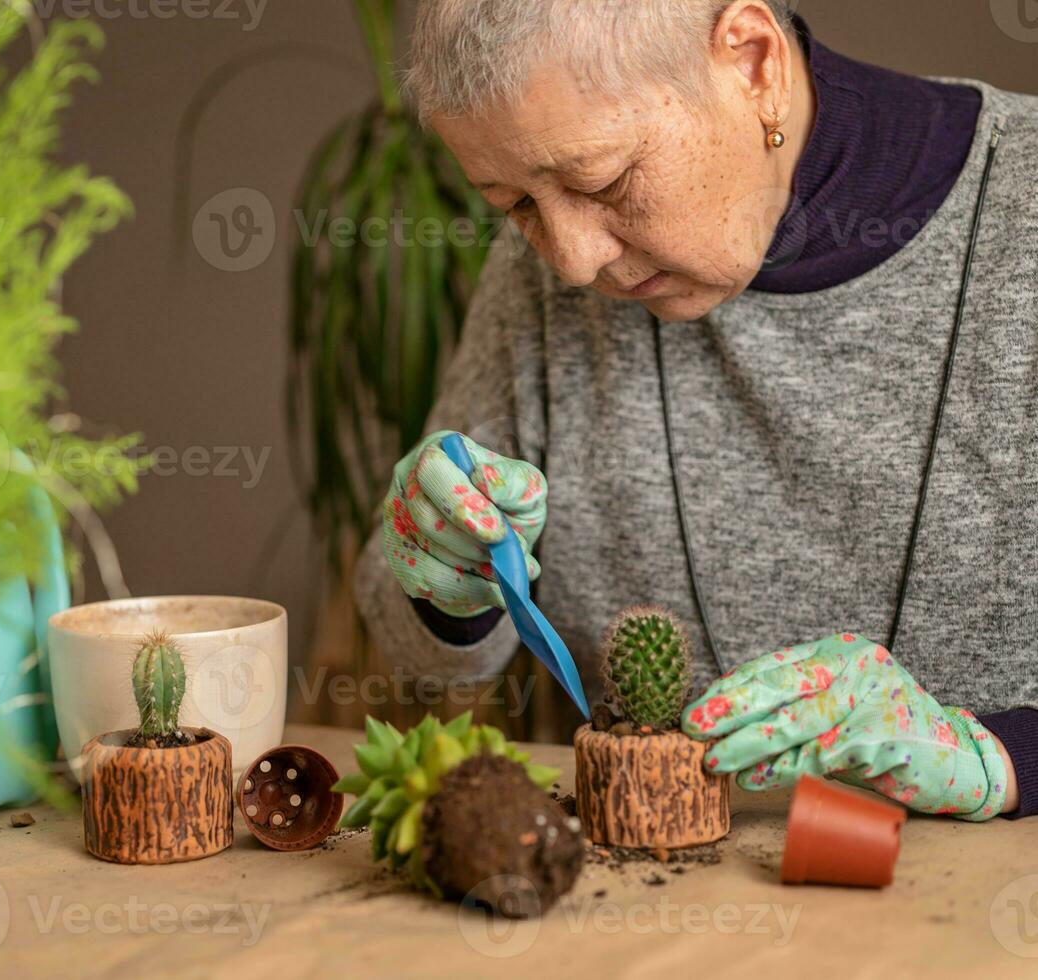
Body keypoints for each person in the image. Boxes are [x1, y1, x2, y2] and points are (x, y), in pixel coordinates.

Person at [354, 0, 1038, 820]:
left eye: (602, 180)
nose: (572, 264)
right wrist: (443, 581)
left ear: (754, 64)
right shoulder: (541, 276)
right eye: (516, 204)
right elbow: (419, 657)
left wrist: (1006, 760)